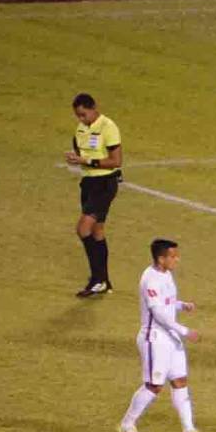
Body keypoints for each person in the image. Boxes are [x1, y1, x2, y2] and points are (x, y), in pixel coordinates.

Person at [118, 239, 210, 432]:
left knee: (180, 380)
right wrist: (185, 331)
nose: (177, 259)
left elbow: (166, 302)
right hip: (155, 338)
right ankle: (127, 424)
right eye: (173, 256)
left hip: (170, 336)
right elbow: (158, 312)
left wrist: (181, 305)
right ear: (161, 258)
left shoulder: (165, 274)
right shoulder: (150, 279)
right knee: (154, 386)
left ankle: (188, 428)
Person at [65, 93, 123, 298]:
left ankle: (97, 279)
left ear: (93, 108)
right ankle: (104, 281)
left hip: (105, 183)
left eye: (83, 114)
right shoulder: (80, 129)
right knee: (97, 231)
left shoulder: (108, 127)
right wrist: (76, 159)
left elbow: (116, 160)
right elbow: (81, 153)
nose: (81, 119)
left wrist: (88, 161)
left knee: (83, 228)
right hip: (88, 183)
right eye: (78, 116)